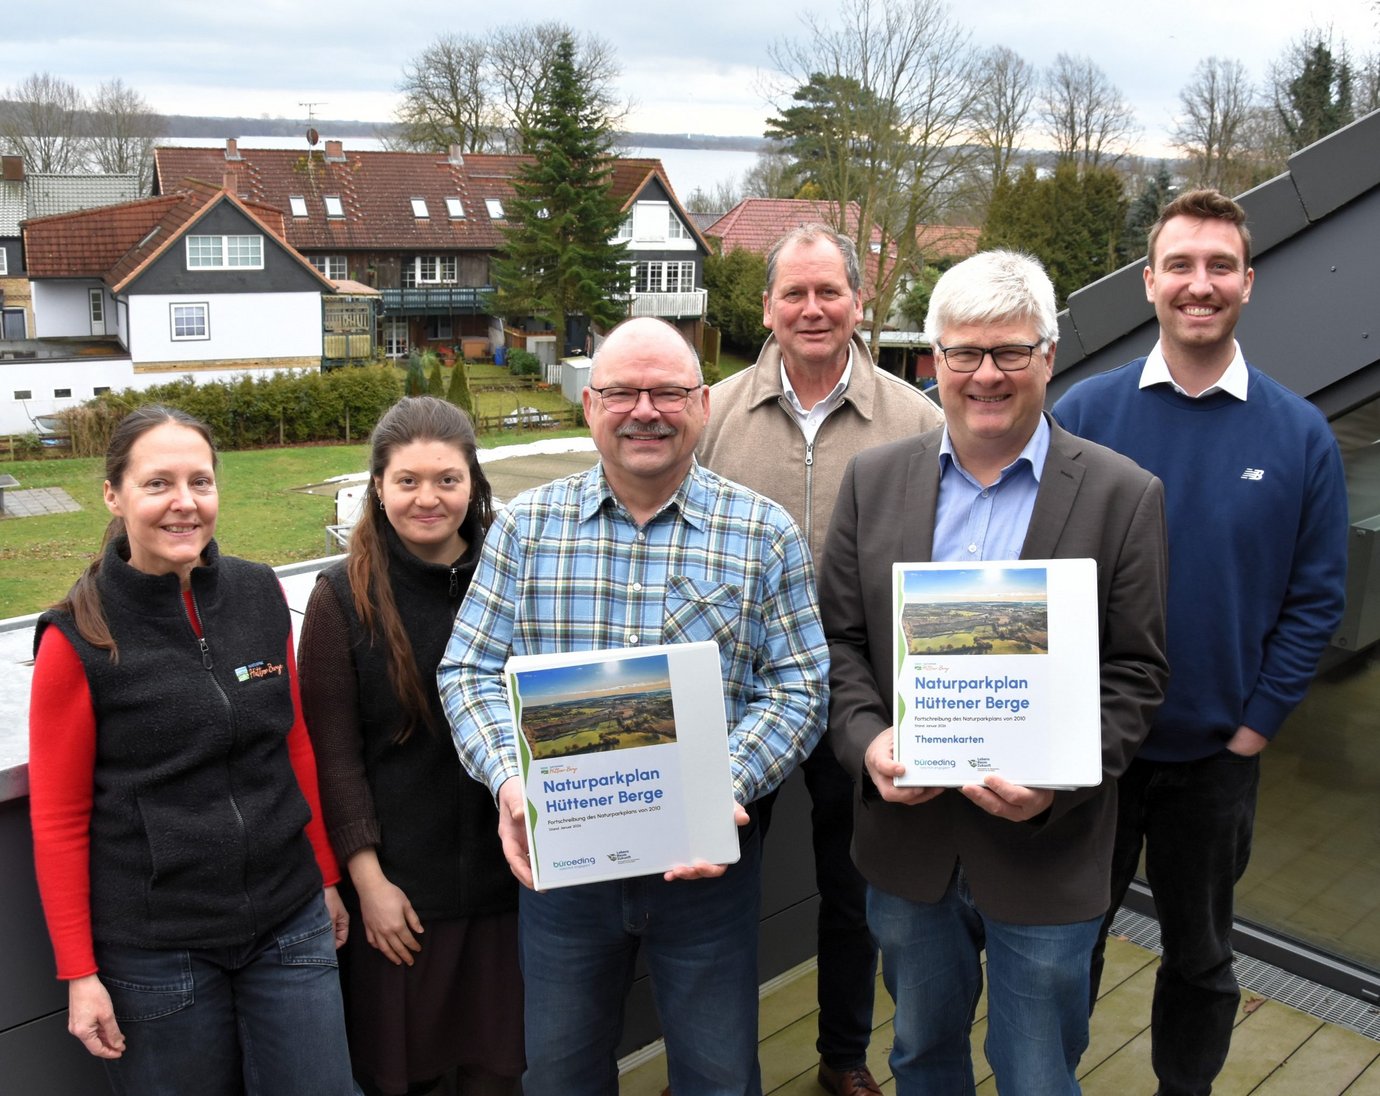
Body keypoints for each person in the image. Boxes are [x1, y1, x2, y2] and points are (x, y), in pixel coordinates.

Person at [438, 316, 829, 1096]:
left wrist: (720, 782)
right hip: (566, 875)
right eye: (622, 392)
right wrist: (514, 783)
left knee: (719, 1075)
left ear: (704, 405)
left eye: (668, 392)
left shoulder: (763, 533)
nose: (645, 409)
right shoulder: (525, 527)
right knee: (560, 1075)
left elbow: (801, 687)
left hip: (705, 874)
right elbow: (469, 671)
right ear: (591, 406)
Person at [819, 250, 1169, 1094]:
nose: (986, 375)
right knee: (921, 1059)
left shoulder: (1124, 495)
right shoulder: (872, 483)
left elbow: (1136, 675)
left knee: (1038, 1071)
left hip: (1049, 849)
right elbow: (836, 644)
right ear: (931, 359)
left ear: (1049, 355)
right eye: (963, 353)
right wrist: (869, 746)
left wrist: (1059, 779)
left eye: (1011, 351)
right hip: (910, 850)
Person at [1053, 189, 1349, 1096]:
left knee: (1202, 959)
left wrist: (1255, 726)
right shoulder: (1086, 413)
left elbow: (1316, 599)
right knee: (1066, 947)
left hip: (1216, 761)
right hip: (1094, 752)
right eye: (1180, 265)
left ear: (1249, 284)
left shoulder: (1298, 435)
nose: (1199, 283)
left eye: (1220, 266)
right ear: (1149, 282)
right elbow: (1039, 571)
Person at [27, 405, 353, 1096]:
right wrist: (79, 973)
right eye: (158, 484)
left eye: (200, 482)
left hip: (288, 920)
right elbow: (58, 819)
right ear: (114, 495)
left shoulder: (259, 592)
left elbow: (292, 743)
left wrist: (323, 876)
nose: (185, 504)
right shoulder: (77, 637)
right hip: (158, 950)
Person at [697, 224, 943, 1096]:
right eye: (793, 293)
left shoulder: (918, 419)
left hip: (858, 697)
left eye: (828, 291)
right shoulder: (713, 413)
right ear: (765, 307)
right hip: (738, 701)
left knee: (853, 891)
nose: (811, 309)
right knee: (716, 893)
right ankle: (713, 1062)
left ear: (859, 301)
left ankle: (842, 1057)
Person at [298, 396, 522, 1096]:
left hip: (507, 887)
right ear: (378, 487)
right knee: (406, 1079)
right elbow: (334, 755)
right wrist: (367, 884)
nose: (428, 499)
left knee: (498, 1074)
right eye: (407, 481)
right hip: (401, 898)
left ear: (474, 486)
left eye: (447, 480)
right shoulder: (342, 598)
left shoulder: (514, 580)